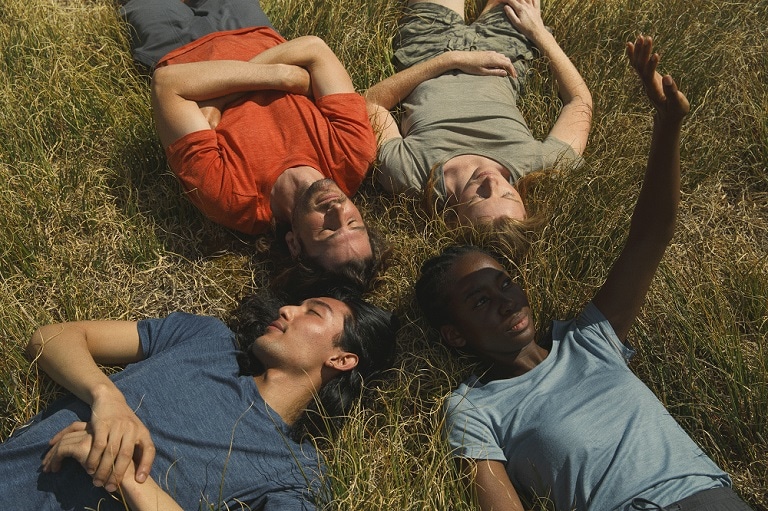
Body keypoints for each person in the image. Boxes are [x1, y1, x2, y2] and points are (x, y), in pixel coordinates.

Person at [414, 36, 755, 511]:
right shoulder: (475, 409)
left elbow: (650, 236)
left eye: (504, 284)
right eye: (479, 301)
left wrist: (668, 123)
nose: (506, 301)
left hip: (704, 495)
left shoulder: (589, 340)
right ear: (454, 335)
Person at [0, 289, 398, 510]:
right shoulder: (205, 341)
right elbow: (49, 338)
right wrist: (107, 397)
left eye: (314, 311)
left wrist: (125, 478)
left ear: (341, 359)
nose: (288, 309)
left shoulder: (297, 473)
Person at [120, 0, 384, 289]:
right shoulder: (353, 154)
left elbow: (167, 83)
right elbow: (314, 48)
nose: (337, 211)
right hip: (251, 30)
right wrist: (211, 97)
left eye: (328, 231)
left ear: (294, 245)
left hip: (177, 48)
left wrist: (285, 77)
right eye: (353, 223)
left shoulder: (232, 198)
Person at [365, 0, 592, 232]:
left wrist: (452, 59)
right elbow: (579, 103)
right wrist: (538, 32)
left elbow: (371, 102)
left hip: (428, 49)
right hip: (503, 53)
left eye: (479, 198)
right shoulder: (538, 164)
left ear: (453, 219)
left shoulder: (409, 173)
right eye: (507, 195)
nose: (491, 182)